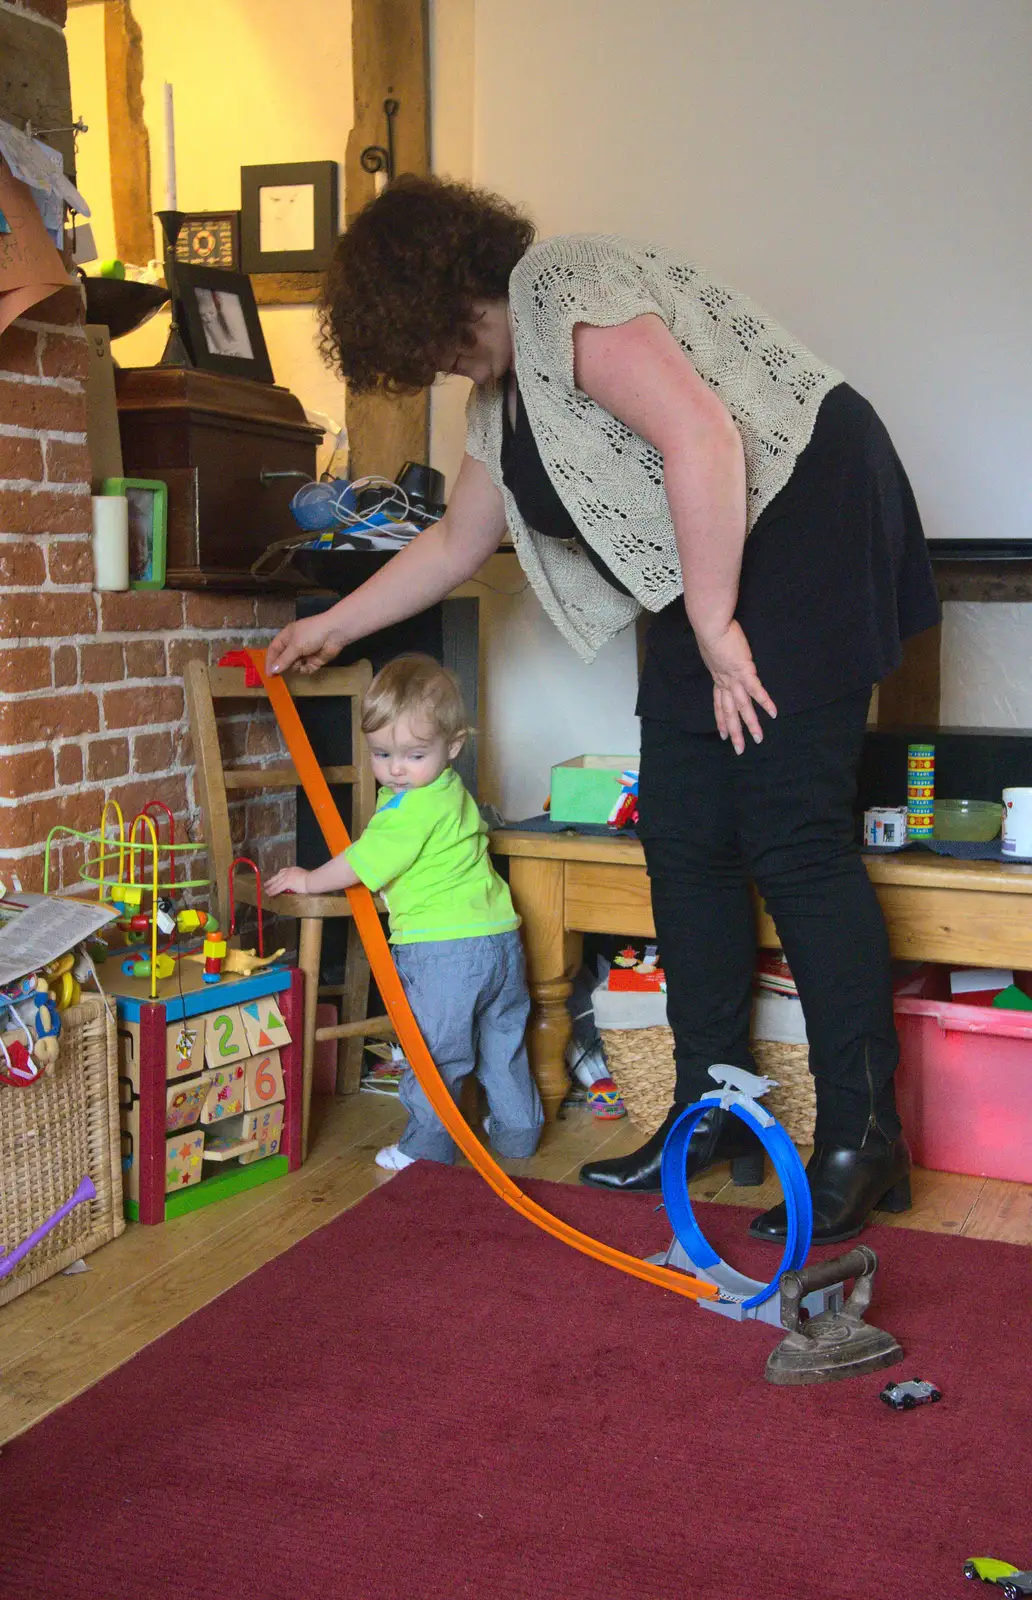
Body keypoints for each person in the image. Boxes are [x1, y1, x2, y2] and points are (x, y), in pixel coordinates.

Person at [266, 176, 940, 1244]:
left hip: (801, 516)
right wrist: (335, 626)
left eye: (432, 342)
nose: (439, 365)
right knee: (682, 836)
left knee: (793, 836)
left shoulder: (562, 284)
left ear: (441, 289)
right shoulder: (500, 398)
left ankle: (863, 1137)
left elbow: (705, 440)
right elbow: (453, 541)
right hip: (704, 558)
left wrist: (718, 628)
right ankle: (710, 1113)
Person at [267, 654, 543, 1173]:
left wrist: (309, 879)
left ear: (454, 745)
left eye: (414, 755)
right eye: (382, 753)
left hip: (443, 951)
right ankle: (518, 1131)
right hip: (501, 938)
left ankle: (427, 1149)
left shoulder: (409, 809)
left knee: (434, 1052)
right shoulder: (452, 792)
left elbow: (363, 862)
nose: (396, 768)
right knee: (503, 1042)